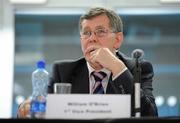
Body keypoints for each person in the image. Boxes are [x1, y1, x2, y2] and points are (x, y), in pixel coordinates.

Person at [18, 7, 158, 118]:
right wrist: (26, 110)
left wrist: (117, 67)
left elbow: (150, 116)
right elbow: (42, 110)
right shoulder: (63, 71)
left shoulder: (138, 68)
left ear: (118, 40)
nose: (91, 39)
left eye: (100, 32)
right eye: (86, 33)